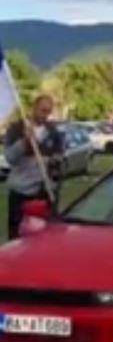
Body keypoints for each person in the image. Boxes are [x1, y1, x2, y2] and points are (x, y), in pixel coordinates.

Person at [4, 94, 63, 240]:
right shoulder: (16, 128)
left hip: (44, 191)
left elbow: (60, 156)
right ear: (34, 107)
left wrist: (55, 162)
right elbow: (10, 158)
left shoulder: (53, 132)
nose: (45, 115)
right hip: (21, 191)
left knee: (43, 234)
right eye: (43, 110)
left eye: (48, 112)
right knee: (18, 234)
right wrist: (25, 141)